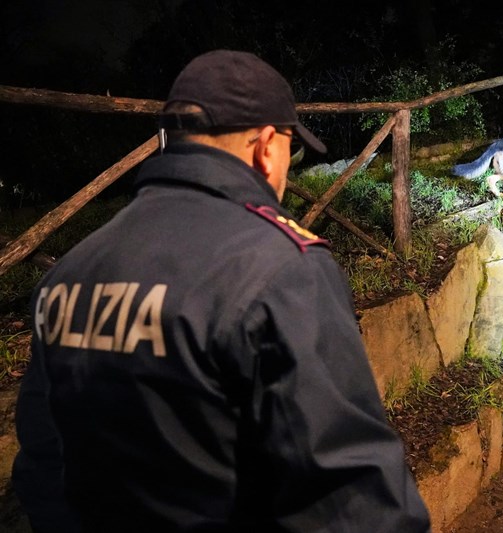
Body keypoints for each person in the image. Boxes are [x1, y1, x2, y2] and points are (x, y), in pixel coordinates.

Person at [13, 49, 431, 532]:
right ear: (267, 145)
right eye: (290, 151)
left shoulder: (71, 270)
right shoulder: (280, 268)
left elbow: (44, 462)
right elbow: (351, 502)